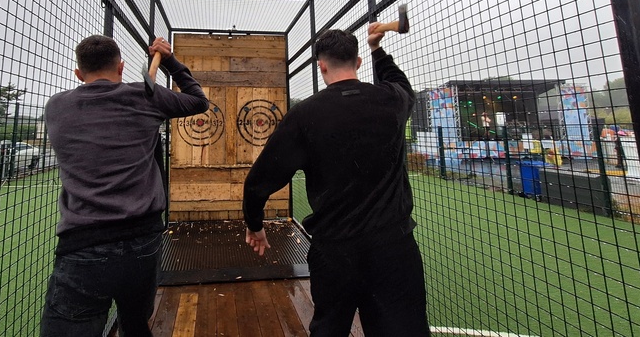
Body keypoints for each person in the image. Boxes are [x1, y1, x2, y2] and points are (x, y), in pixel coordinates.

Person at [242, 25, 430, 336]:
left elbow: (259, 181)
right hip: (394, 249)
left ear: (321, 65)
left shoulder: (305, 115)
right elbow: (400, 83)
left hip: (334, 253)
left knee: (329, 329)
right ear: (357, 62)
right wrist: (377, 48)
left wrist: (255, 224)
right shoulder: (392, 101)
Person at [41, 35, 208, 337]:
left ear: (78, 74)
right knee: (135, 323)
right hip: (142, 240)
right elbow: (199, 101)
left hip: (84, 244)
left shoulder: (57, 107)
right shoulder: (146, 96)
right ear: (121, 67)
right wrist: (168, 60)